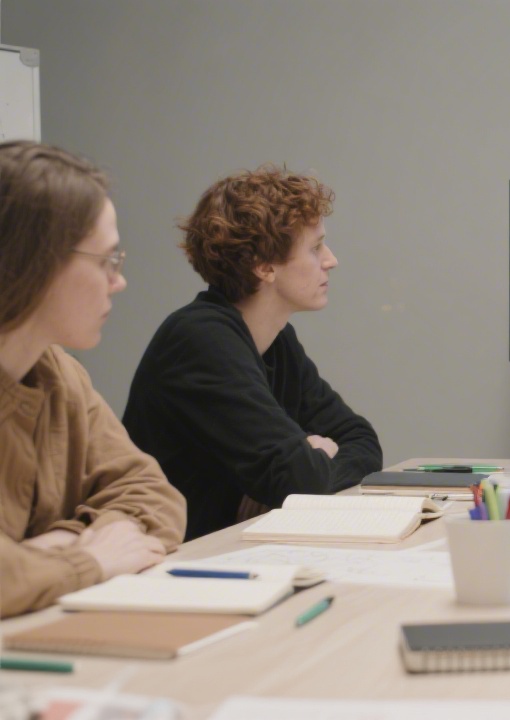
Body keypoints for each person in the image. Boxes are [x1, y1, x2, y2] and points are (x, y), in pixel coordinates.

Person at [123, 166, 382, 540]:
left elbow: (362, 440)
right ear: (263, 266)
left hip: (231, 550)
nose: (331, 260)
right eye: (314, 248)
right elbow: (302, 480)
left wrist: (310, 464)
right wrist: (313, 458)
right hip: (173, 563)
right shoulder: (200, 340)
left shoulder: (277, 339)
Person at [0, 141, 186, 618]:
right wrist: (90, 560)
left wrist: (59, 543)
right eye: (106, 260)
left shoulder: (58, 373)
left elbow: (152, 492)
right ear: (34, 263)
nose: (118, 281)